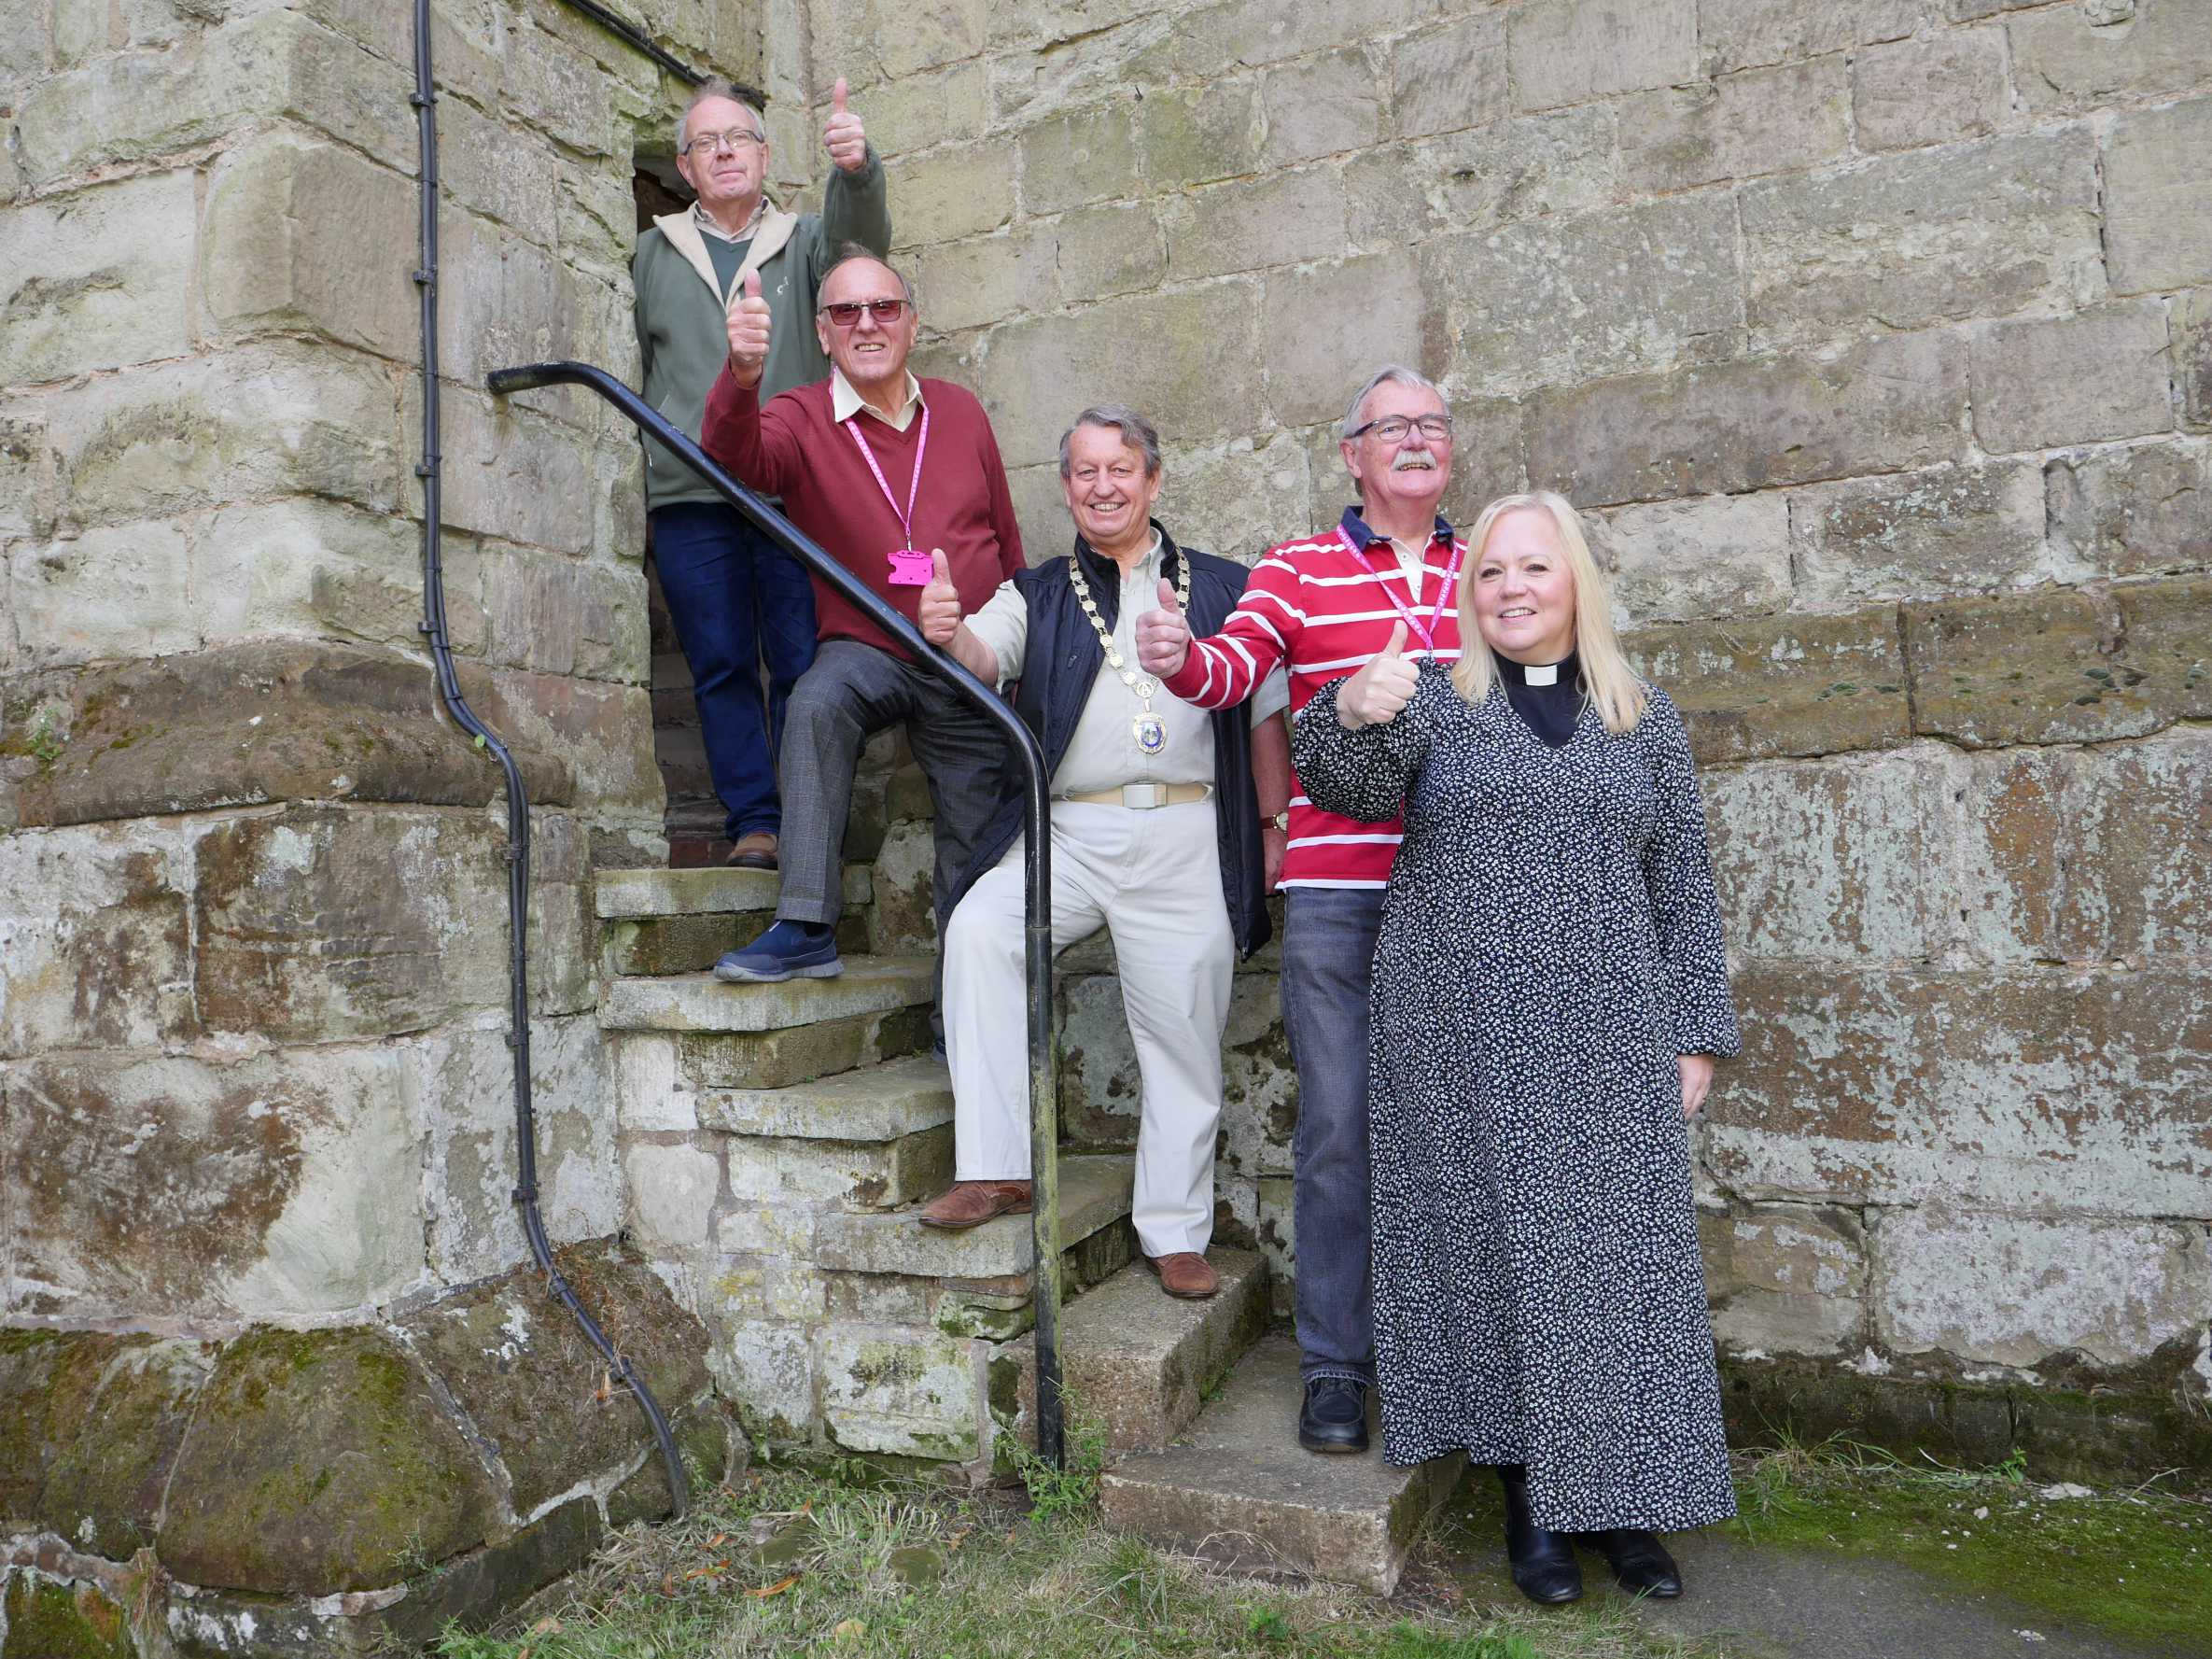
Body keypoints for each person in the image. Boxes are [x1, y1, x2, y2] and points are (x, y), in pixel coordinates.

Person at [1288, 490, 1742, 1606]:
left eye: (1533, 569)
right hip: (1459, 1029)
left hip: (1606, 1031)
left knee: (1617, 1267)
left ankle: (1628, 1505)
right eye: (1490, 573)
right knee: (1497, 1262)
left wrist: (1695, 1032)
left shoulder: (1645, 717)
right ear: (1467, 593)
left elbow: (1682, 883)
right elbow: (1336, 784)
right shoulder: (1433, 706)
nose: (1512, 590)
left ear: (1574, 580)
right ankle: (1535, 1501)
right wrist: (1349, 708)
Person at [1132, 365, 1463, 1453]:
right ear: (1351, 453)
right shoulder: (1297, 568)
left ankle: (1455, 1367)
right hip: (1339, 893)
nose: (1415, 440)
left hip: (1473, 892)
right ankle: (1335, 1368)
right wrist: (1182, 657)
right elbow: (1232, 675)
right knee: (1335, 1131)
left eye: (1432, 424)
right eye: (1392, 427)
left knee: (1464, 1124)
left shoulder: (1492, 566)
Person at [912, 406, 1293, 1299]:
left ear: (1153, 481)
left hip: (1185, 833)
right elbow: (980, 654)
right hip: (1070, 833)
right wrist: (944, 630)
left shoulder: (1229, 586)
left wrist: (1274, 829)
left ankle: (1175, 1231)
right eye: (1084, 472)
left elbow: (1267, 713)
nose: (1103, 486)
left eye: (1120, 469)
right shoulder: (1037, 591)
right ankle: (998, 1165)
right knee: (978, 933)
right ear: (1068, 487)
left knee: (1183, 1032)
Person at [699, 248, 1022, 983]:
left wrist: (1010, 652)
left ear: (912, 323)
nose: (867, 324)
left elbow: (1005, 538)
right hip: (868, 643)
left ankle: (964, 1009)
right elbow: (735, 459)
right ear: (821, 332)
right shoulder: (799, 415)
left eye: (884, 308)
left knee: (975, 834)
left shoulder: (962, 410)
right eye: (847, 311)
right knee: (814, 701)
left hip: (965, 649)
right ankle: (808, 920)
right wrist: (742, 376)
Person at [633, 76, 890, 869]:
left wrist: (856, 172)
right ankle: (756, 818)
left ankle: (809, 815)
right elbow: (644, 361)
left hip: (791, 484)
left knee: (801, 660)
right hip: (690, 489)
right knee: (719, 661)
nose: (723, 152)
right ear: (684, 166)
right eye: (706, 143)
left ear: (764, 153)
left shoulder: (803, 239)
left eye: (736, 138)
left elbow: (860, 251)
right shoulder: (652, 250)